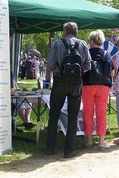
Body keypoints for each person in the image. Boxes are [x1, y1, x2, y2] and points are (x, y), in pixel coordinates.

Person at [45, 22, 91, 158]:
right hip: (76, 84)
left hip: (59, 82)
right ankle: (69, 150)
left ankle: (50, 148)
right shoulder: (82, 44)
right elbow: (88, 65)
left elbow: (51, 64)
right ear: (76, 32)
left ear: (64, 31)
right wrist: (77, 73)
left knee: (54, 114)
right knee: (73, 117)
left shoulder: (57, 44)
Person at [82, 30, 115, 151]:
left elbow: (83, 69)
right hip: (103, 86)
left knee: (88, 112)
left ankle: (89, 140)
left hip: (88, 85)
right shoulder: (106, 54)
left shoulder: (86, 53)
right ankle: (101, 142)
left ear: (91, 40)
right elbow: (112, 72)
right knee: (101, 113)